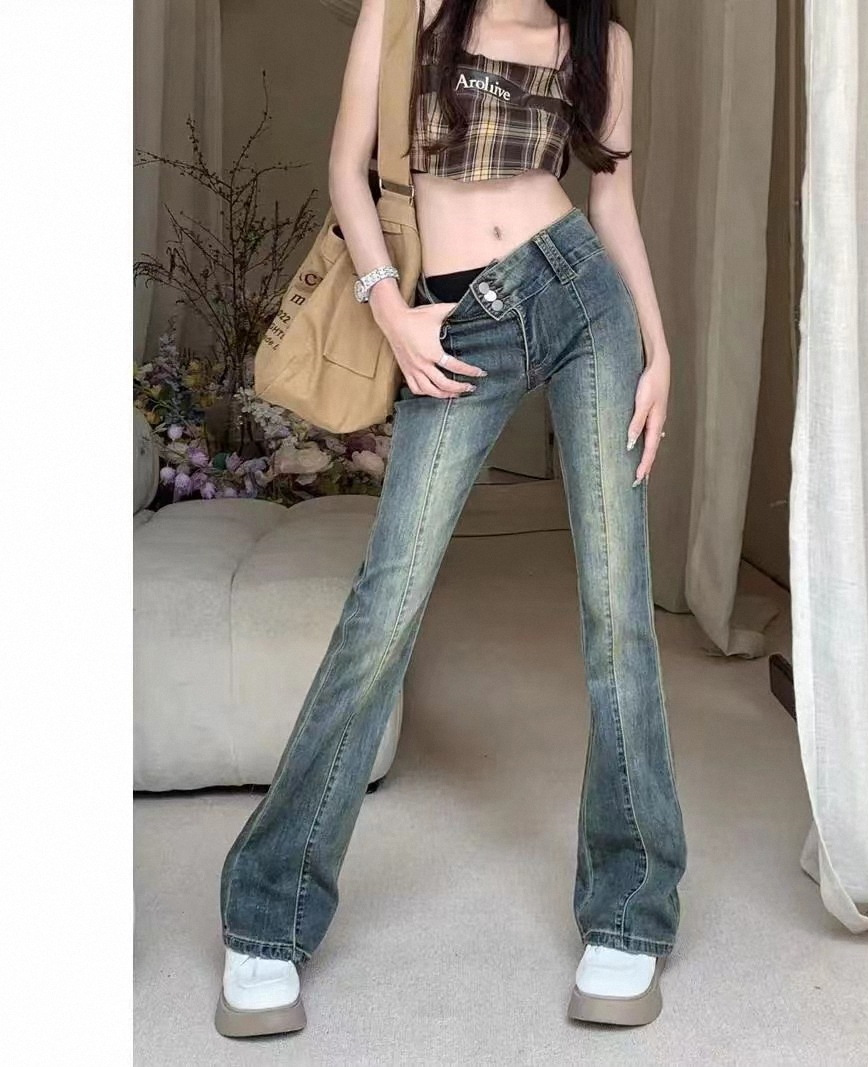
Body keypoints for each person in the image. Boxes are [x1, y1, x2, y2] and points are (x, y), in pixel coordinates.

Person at [215, 0, 687, 1036]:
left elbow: (612, 202)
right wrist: (389, 308)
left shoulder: (601, 42)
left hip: (581, 299)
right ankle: (269, 911)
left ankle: (630, 905)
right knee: (383, 609)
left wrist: (657, 350)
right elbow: (347, 170)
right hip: (451, 321)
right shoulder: (407, 8)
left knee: (617, 609)